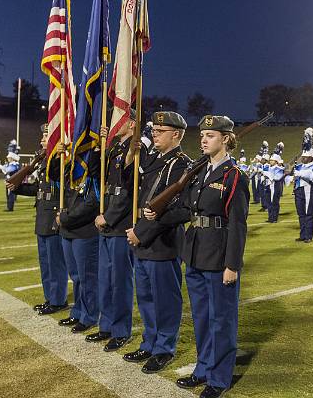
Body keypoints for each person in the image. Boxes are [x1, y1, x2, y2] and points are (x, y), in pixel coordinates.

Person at [151, 114, 248, 398]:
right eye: (203, 136)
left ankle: (219, 378)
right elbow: (187, 208)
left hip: (219, 256)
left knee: (222, 320)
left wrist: (232, 264)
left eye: (211, 136)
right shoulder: (199, 171)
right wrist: (158, 212)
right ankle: (203, 369)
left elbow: (238, 223)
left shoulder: (234, 176)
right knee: (202, 318)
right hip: (194, 253)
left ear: (226, 140)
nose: (204, 140)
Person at [124, 111, 191, 375]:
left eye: (160, 131)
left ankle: (164, 348)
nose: (154, 133)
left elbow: (184, 210)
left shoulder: (182, 164)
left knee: (165, 300)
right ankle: (149, 342)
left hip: (162, 242)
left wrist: (144, 231)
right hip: (142, 239)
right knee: (146, 298)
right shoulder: (151, 159)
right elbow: (132, 187)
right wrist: (131, 154)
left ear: (176, 134)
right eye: (154, 129)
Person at [89, 112, 137, 352]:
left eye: (118, 118)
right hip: (106, 224)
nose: (111, 122)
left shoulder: (134, 149)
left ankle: (120, 330)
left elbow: (127, 191)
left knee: (120, 281)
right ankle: (106, 324)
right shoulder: (116, 149)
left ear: (130, 123)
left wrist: (107, 216)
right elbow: (98, 175)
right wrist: (101, 146)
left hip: (118, 225)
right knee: (105, 279)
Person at [9, 125, 69, 316]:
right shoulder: (44, 160)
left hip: (52, 216)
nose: (42, 139)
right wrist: (16, 187)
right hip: (42, 216)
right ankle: (50, 298)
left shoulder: (61, 161)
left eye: (46, 135)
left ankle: (58, 300)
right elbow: (38, 188)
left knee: (55, 263)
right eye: (43, 135)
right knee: (45, 262)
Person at [54, 141, 101, 335]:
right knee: (75, 276)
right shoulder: (72, 168)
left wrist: (65, 218)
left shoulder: (95, 169)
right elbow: (56, 179)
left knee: (87, 277)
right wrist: (58, 157)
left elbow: (92, 202)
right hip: (69, 232)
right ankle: (78, 311)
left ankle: (89, 315)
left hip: (84, 232)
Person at [291, 127, 313, 242]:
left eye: (305, 156)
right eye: (302, 156)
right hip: (299, 191)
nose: (303, 158)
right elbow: (292, 176)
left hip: (311, 191)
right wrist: (291, 178)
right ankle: (303, 234)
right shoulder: (298, 166)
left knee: (309, 214)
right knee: (301, 214)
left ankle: (308, 236)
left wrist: (300, 173)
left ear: (311, 157)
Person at [265, 154, 285, 223]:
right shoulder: (269, 167)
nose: (270, 161)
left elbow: (278, 177)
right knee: (269, 202)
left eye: (272, 160)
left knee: (275, 202)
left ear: (276, 161)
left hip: (276, 186)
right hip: (269, 186)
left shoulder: (279, 168)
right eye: (270, 160)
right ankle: (270, 217)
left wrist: (267, 174)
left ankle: (274, 218)